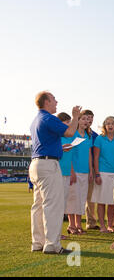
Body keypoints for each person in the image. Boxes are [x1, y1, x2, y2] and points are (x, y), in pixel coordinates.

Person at [29, 91, 81, 254]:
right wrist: (75, 117)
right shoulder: (48, 118)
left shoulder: (36, 119)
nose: (56, 102)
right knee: (53, 205)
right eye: (53, 99)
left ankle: (38, 242)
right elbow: (70, 132)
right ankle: (52, 245)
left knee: (38, 206)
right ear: (46, 102)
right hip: (48, 165)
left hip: (37, 164)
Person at [92, 116, 114, 233]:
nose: (110, 126)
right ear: (105, 126)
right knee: (101, 201)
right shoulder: (99, 139)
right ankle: (102, 226)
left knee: (112, 202)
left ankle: (110, 225)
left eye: (112, 123)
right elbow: (95, 157)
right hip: (102, 173)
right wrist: (97, 174)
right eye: (108, 124)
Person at [65, 112, 93, 234]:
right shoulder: (73, 134)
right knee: (72, 198)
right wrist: (71, 171)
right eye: (83, 119)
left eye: (88, 119)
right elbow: (68, 153)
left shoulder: (88, 136)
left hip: (85, 171)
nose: (86, 121)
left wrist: (91, 170)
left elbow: (89, 154)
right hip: (74, 171)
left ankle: (78, 224)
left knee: (81, 199)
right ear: (78, 120)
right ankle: (71, 225)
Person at [56, 112, 75, 239]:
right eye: (67, 122)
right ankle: (55, 233)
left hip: (67, 173)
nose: (68, 125)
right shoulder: (57, 137)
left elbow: (71, 158)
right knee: (56, 204)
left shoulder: (69, 138)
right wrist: (61, 148)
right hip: (58, 173)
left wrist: (72, 172)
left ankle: (57, 232)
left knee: (62, 204)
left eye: (69, 122)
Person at [83, 109, 100, 230]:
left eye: (91, 118)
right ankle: (74, 222)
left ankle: (91, 221)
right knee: (75, 196)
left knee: (90, 197)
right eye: (87, 117)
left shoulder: (94, 135)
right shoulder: (75, 132)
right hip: (76, 168)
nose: (89, 120)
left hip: (91, 169)